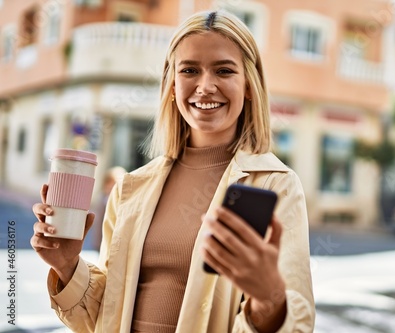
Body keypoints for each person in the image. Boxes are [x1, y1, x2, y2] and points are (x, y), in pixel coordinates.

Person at [31, 10, 315, 333]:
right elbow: (106, 318)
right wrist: (68, 266)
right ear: (172, 83)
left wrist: (268, 300)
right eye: (190, 70)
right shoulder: (131, 189)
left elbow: (298, 322)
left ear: (249, 84)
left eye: (223, 70)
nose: (205, 86)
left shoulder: (276, 186)